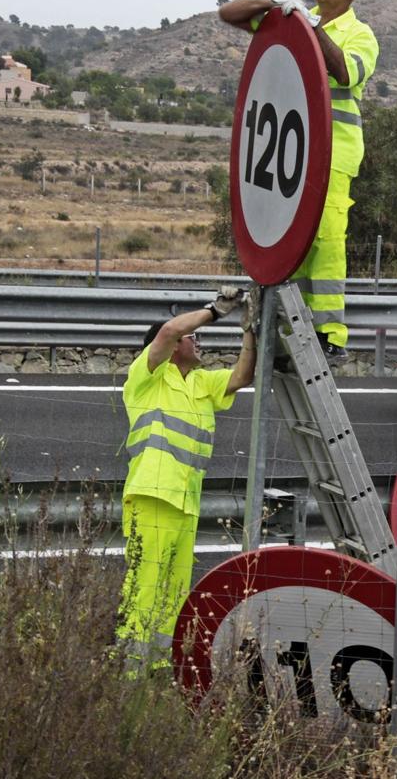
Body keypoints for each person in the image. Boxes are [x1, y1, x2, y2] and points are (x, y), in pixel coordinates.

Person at [219, 0, 379, 364]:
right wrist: (270, 3)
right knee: (289, 241)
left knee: (325, 239)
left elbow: (345, 72)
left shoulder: (360, 34)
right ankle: (293, 329)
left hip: (335, 152)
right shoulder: (296, 19)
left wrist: (311, 31)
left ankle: (329, 335)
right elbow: (229, 14)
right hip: (292, 154)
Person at [117, 286, 254, 670]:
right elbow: (166, 332)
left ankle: (159, 665)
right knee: (144, 584)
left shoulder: (201, 383)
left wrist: (250, 327)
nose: (199, 342)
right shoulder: (146, 378)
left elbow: (243, 374)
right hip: (151, 496)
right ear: (176, 345)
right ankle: (130, 670)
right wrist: (215, 309)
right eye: (193, 337)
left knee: (174, 590)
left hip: (185, 503)